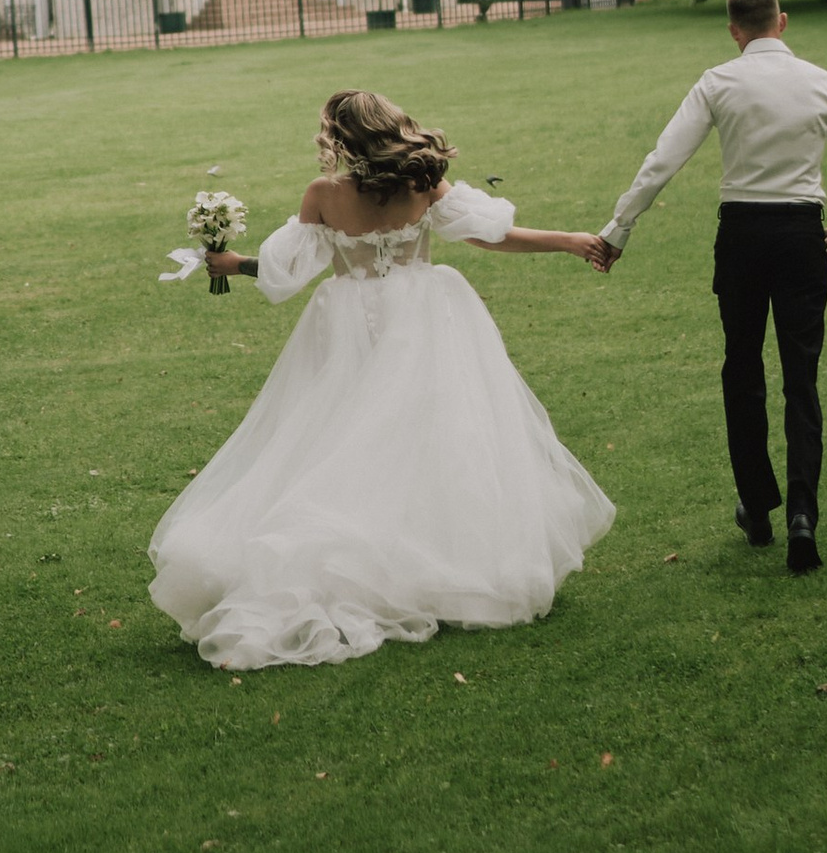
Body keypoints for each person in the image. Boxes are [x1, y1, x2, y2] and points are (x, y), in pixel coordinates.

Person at [146, 86, 614, 673]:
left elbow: (292, 270)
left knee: (343, 432)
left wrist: (233, 264)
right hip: (427, 315)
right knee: (435, 434)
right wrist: (571, 241)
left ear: (339, 138)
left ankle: (357, 553)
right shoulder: (423, 183)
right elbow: (489, 236)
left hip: (350, 320)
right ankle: (447, 558)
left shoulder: (324, 194)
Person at [592, 0, 827, 576]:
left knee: (742, 370)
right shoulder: (822, 82)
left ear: (734, 31)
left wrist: (619, 229)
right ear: (782, 21)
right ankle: (803, 513)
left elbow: (663, 160)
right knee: (801, 379)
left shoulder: (718, 81)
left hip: (742, 235)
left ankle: (758, 506)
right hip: (802, 234)